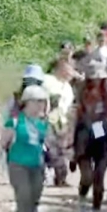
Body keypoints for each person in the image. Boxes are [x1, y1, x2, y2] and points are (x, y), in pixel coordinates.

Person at [72, 66, 107, 212]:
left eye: (98, 77)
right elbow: (75, 118)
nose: (95, 79)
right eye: (92, 77)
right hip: (83, 134)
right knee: (87, 177)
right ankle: (82, 199)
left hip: (102, 135)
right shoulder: (81, 93)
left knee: (99, 176)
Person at [0, 85, 50, 212]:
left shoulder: (43, 123)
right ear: (27, 102)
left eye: (43, 101)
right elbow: (2, 144)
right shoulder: (15, 122)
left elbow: (48, 144)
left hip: (37, 166)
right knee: (24, 196)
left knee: (34, 197)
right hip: (18, 165)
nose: (41, 105)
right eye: (37, 101)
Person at [0, 64, 46, 183]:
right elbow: (8, 113)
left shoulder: (43, 97)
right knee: (0, 145)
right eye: (30, 80)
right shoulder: (15, 97)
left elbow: (44, 114)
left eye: (35, 81)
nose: (32, 83)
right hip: (16, 125)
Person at [42, 58, 75, 186]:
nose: (71, 73)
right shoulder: (47, 81)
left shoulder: (67, 88)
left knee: (61, 149)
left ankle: (61, 177)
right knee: (50, 148)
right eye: (68, 69)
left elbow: (67, 107)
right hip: (47, 119)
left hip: (60, 121)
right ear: (60, 69)